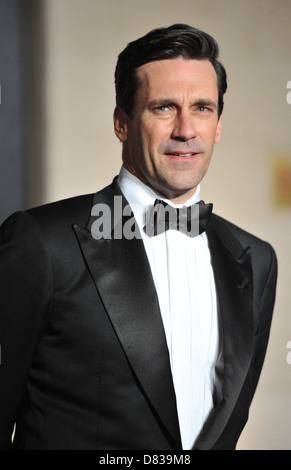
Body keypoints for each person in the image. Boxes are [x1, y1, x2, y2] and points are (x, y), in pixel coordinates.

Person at [0, 24, 277, 451]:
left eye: (202, 108)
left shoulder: (256, 260)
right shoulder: (42, 242)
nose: (186, 129)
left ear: (218, 125)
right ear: (122, 123)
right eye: (164, 108)